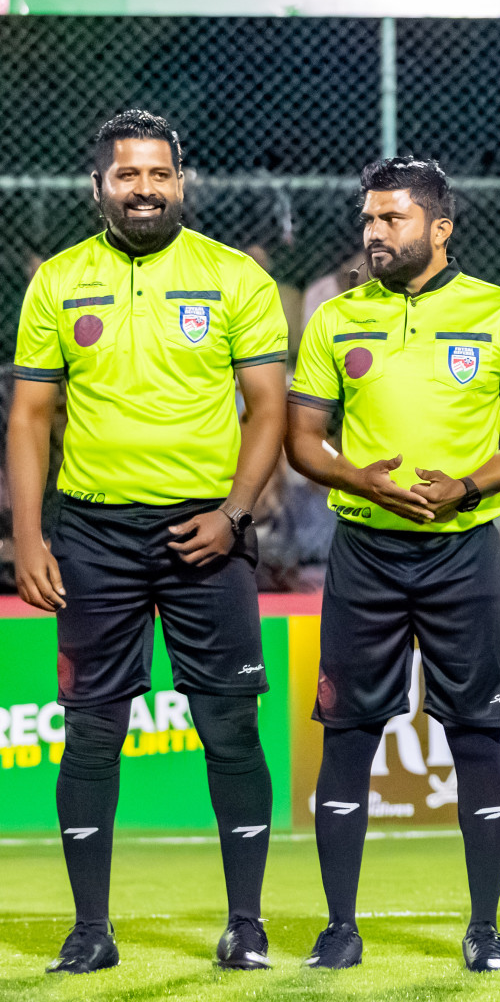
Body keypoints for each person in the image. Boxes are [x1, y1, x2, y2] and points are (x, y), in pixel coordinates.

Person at [7, 110, 288, 974]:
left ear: (181, 181)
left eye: (158, 173)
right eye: (127, 175)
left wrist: (236, 514)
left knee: (230, 728)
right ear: (98, 187)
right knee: (91, 731)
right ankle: (90, 931)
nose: (144, 188)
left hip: (207, 530)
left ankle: (246, 925)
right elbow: (29, 417)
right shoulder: (58, 281)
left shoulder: (233, 277)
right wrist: (27, 538)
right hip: (92, 535)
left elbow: (269, 409)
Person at [285, 157, 500, 972]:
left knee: (477, 734)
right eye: (368, 219)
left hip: (463, 551)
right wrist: (352, 476)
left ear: (439, 228)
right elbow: (303, 440)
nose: (374, 233)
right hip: (364, 549)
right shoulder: (336, 319)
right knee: (347, 734)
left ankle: (484, 928)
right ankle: (340, 926)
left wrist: (468, 485)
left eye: (391, 219)